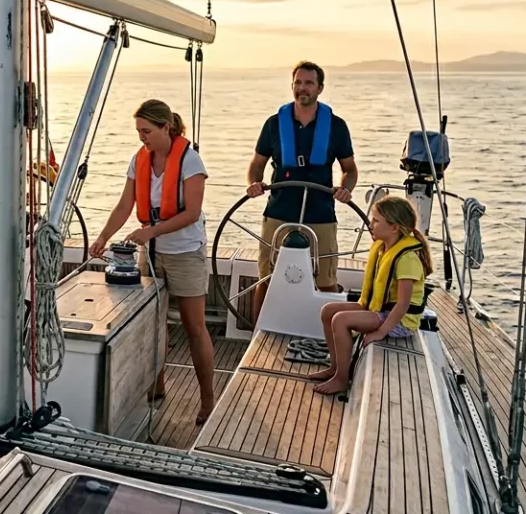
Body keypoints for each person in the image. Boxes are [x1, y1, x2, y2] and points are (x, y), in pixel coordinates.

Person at [89, 100, 216, 424]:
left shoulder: (190, 161)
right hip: (152, 252)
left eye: (146, 131)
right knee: (152, 323)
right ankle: (156, 385)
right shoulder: (139, 160)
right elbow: (125, 204)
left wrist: (151, 231)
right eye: (138, 132)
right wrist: (103, 236)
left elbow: (191, 214)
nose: (142, 138)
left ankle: (207, 398)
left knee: (194, 327)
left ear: (165, 128)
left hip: (185, 253)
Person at [246, 61, 357, 315]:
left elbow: (350, 169)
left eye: (308, 83)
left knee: (326, 281)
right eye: (298, 83)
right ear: (292, 86)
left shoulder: (337, 127)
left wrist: (345, 189)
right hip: (279, 210)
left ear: (320, 88)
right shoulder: (274, 124)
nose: (302, 88)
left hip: (321, 213)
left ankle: (327, 339)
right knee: (266, 278)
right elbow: (257, 164)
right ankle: (257, 333)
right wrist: (254, 183)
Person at [310, 196, 432, 395]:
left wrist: (381, 332)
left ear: (394, 228)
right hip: (380, 309)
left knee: (340, 320)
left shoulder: (407, 258)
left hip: (401, 321)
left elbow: (402, 304)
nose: (370, 224)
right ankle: (335, 368)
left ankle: (342, 379)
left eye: (376, 220)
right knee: (328, 311)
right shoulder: (385, 247)